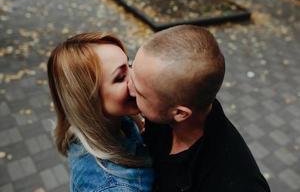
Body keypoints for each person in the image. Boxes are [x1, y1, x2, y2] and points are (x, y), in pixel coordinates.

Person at [128, 25, 271, 192]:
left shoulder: (235, 182)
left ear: (180, 113)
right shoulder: (166, 111)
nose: (128, 87)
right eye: (132, 69)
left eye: (139, 92)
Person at [47, 32, 154, 192]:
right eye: (120, 77)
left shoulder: (108, 122)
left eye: (129, 64)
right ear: (88, 101)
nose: (136, 78)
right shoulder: (112, 187)